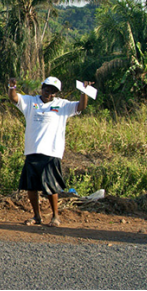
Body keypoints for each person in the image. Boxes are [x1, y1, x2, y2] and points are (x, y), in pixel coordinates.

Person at [8, 76, 94, 227]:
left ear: (56, 93)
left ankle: (55, 216)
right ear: (42, 87)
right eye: (47, 88)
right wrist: (12, 87)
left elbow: (81, 106)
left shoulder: (62, 105)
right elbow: (14, 98)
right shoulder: (30, 101)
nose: (49, 92)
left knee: (50, 186)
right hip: (32, 150)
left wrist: (84, 92)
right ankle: (36, 216)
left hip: (51, 151)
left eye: (53, 91)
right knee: (31, 187)